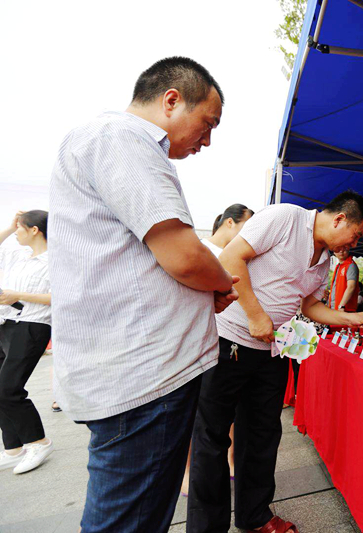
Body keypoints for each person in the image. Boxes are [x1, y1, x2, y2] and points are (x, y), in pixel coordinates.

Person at [49, 57, 239, 532]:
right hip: (142, 378)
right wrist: (221, 284)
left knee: (142, 515)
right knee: (129, 521)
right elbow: (183, 256)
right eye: (207, 124)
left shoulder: (122, 145)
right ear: (172, 99)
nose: (207, 140)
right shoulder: (121, 138)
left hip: (142, 372)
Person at [187, 190, 363, 533]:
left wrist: (349, 319)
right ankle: (205, 527)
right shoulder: (284, 217)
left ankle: (254, 515)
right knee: (211, 439)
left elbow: (308, 306)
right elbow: (231, 257)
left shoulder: (325, 262)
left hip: (272, 351)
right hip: (229, 342)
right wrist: (256, 315)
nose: (354, 243)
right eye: (356, 234)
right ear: (339, 219)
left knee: (261, 436)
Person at [180, 204, 254, 496]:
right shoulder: (201, 250)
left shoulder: (244, 257)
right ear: (230, 223)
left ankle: (230, 460)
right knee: (195, 412)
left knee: (230, 409)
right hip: (197, 341)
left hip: (229, 343)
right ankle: (186, 471)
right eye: (249, 225)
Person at [0, 211, 54, 474]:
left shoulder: (55, 260)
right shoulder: (19, 256)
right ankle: (13, 448)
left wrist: (17, 295)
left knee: (8, 388)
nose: (17, 232)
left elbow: (59, 297)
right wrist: (10, 228)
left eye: (20, 228)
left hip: (33, 325)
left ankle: (39, 442)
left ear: (35, 230)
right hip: (5, 325)